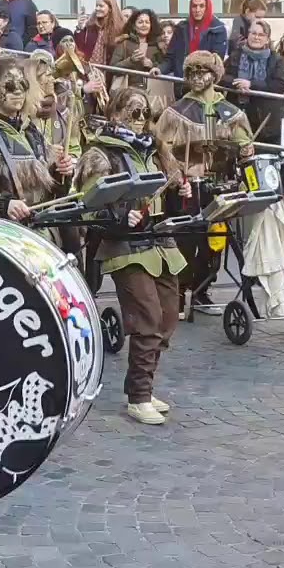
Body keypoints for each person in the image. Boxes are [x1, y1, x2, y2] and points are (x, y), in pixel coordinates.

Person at [79, 87, 184, 425]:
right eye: (133, 112)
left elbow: (169, 202)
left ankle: (144, 386)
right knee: (147, 318)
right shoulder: (101, 154)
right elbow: (88, 205)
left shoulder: (156, 150)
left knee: (168, 316)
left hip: (160, 241)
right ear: (115, 113)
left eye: (144, 113)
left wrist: (181, 192)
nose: (140, 120)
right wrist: (121, 215)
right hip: (124, 245)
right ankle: (138, 396)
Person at [154, 51, 254, 317]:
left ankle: (202, 290)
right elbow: (162, 150)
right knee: (185, 241)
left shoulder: (231, 112)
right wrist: (177, 179)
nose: (197, 78)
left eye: (202, 72)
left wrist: (246, 151)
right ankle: (178, 294)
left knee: (215, 241)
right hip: (186, 186)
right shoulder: (176, 112)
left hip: (218, 186)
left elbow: (243, 145)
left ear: (214, 75)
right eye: (192, 73)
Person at [0, 53, 74, 228]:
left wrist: (61, 172)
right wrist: (4, 204)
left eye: (22, 84)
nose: (18, 91)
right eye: (9, 86)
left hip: (36, 231)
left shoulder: (30, 130)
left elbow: (50, 191)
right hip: (0, 234)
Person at [223, 19, 284, 143]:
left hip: (264, 117)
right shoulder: (235, 55)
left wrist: (251, 84)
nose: (256, 37)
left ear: (267, 39)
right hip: (238, 111)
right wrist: (237, 83)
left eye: (261, 35)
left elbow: (280, 84)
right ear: (248, 35)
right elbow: (223, 77)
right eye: (253, 33)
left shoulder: (275, 59)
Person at [162, 0, 228, 78]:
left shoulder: (218, 29)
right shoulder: (181, 28)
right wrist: (159, 69)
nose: (197, 10)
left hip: (204, 82)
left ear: (207, 8)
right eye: (194, 6)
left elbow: (216, 60)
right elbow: (170, 57)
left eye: (201, 6)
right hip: (181, 81)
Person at [108, 8, 163, 91]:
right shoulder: (124, 43)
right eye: (140, 22)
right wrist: (130, 61)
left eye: (147, 22)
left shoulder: (156, 46)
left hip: (152, 91)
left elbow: (164, 67)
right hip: (128, 90)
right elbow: (112, 69)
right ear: (134, 26)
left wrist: (152, 65)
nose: (144, 25)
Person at [74, 0, 121, 65]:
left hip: (109, 68)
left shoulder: (118, 27)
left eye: (101, 6)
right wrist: (79, 28)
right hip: (89, 67)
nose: (97, 8)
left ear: (110, 8)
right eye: (96, 5)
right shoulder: (90, 25)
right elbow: (80, 48)